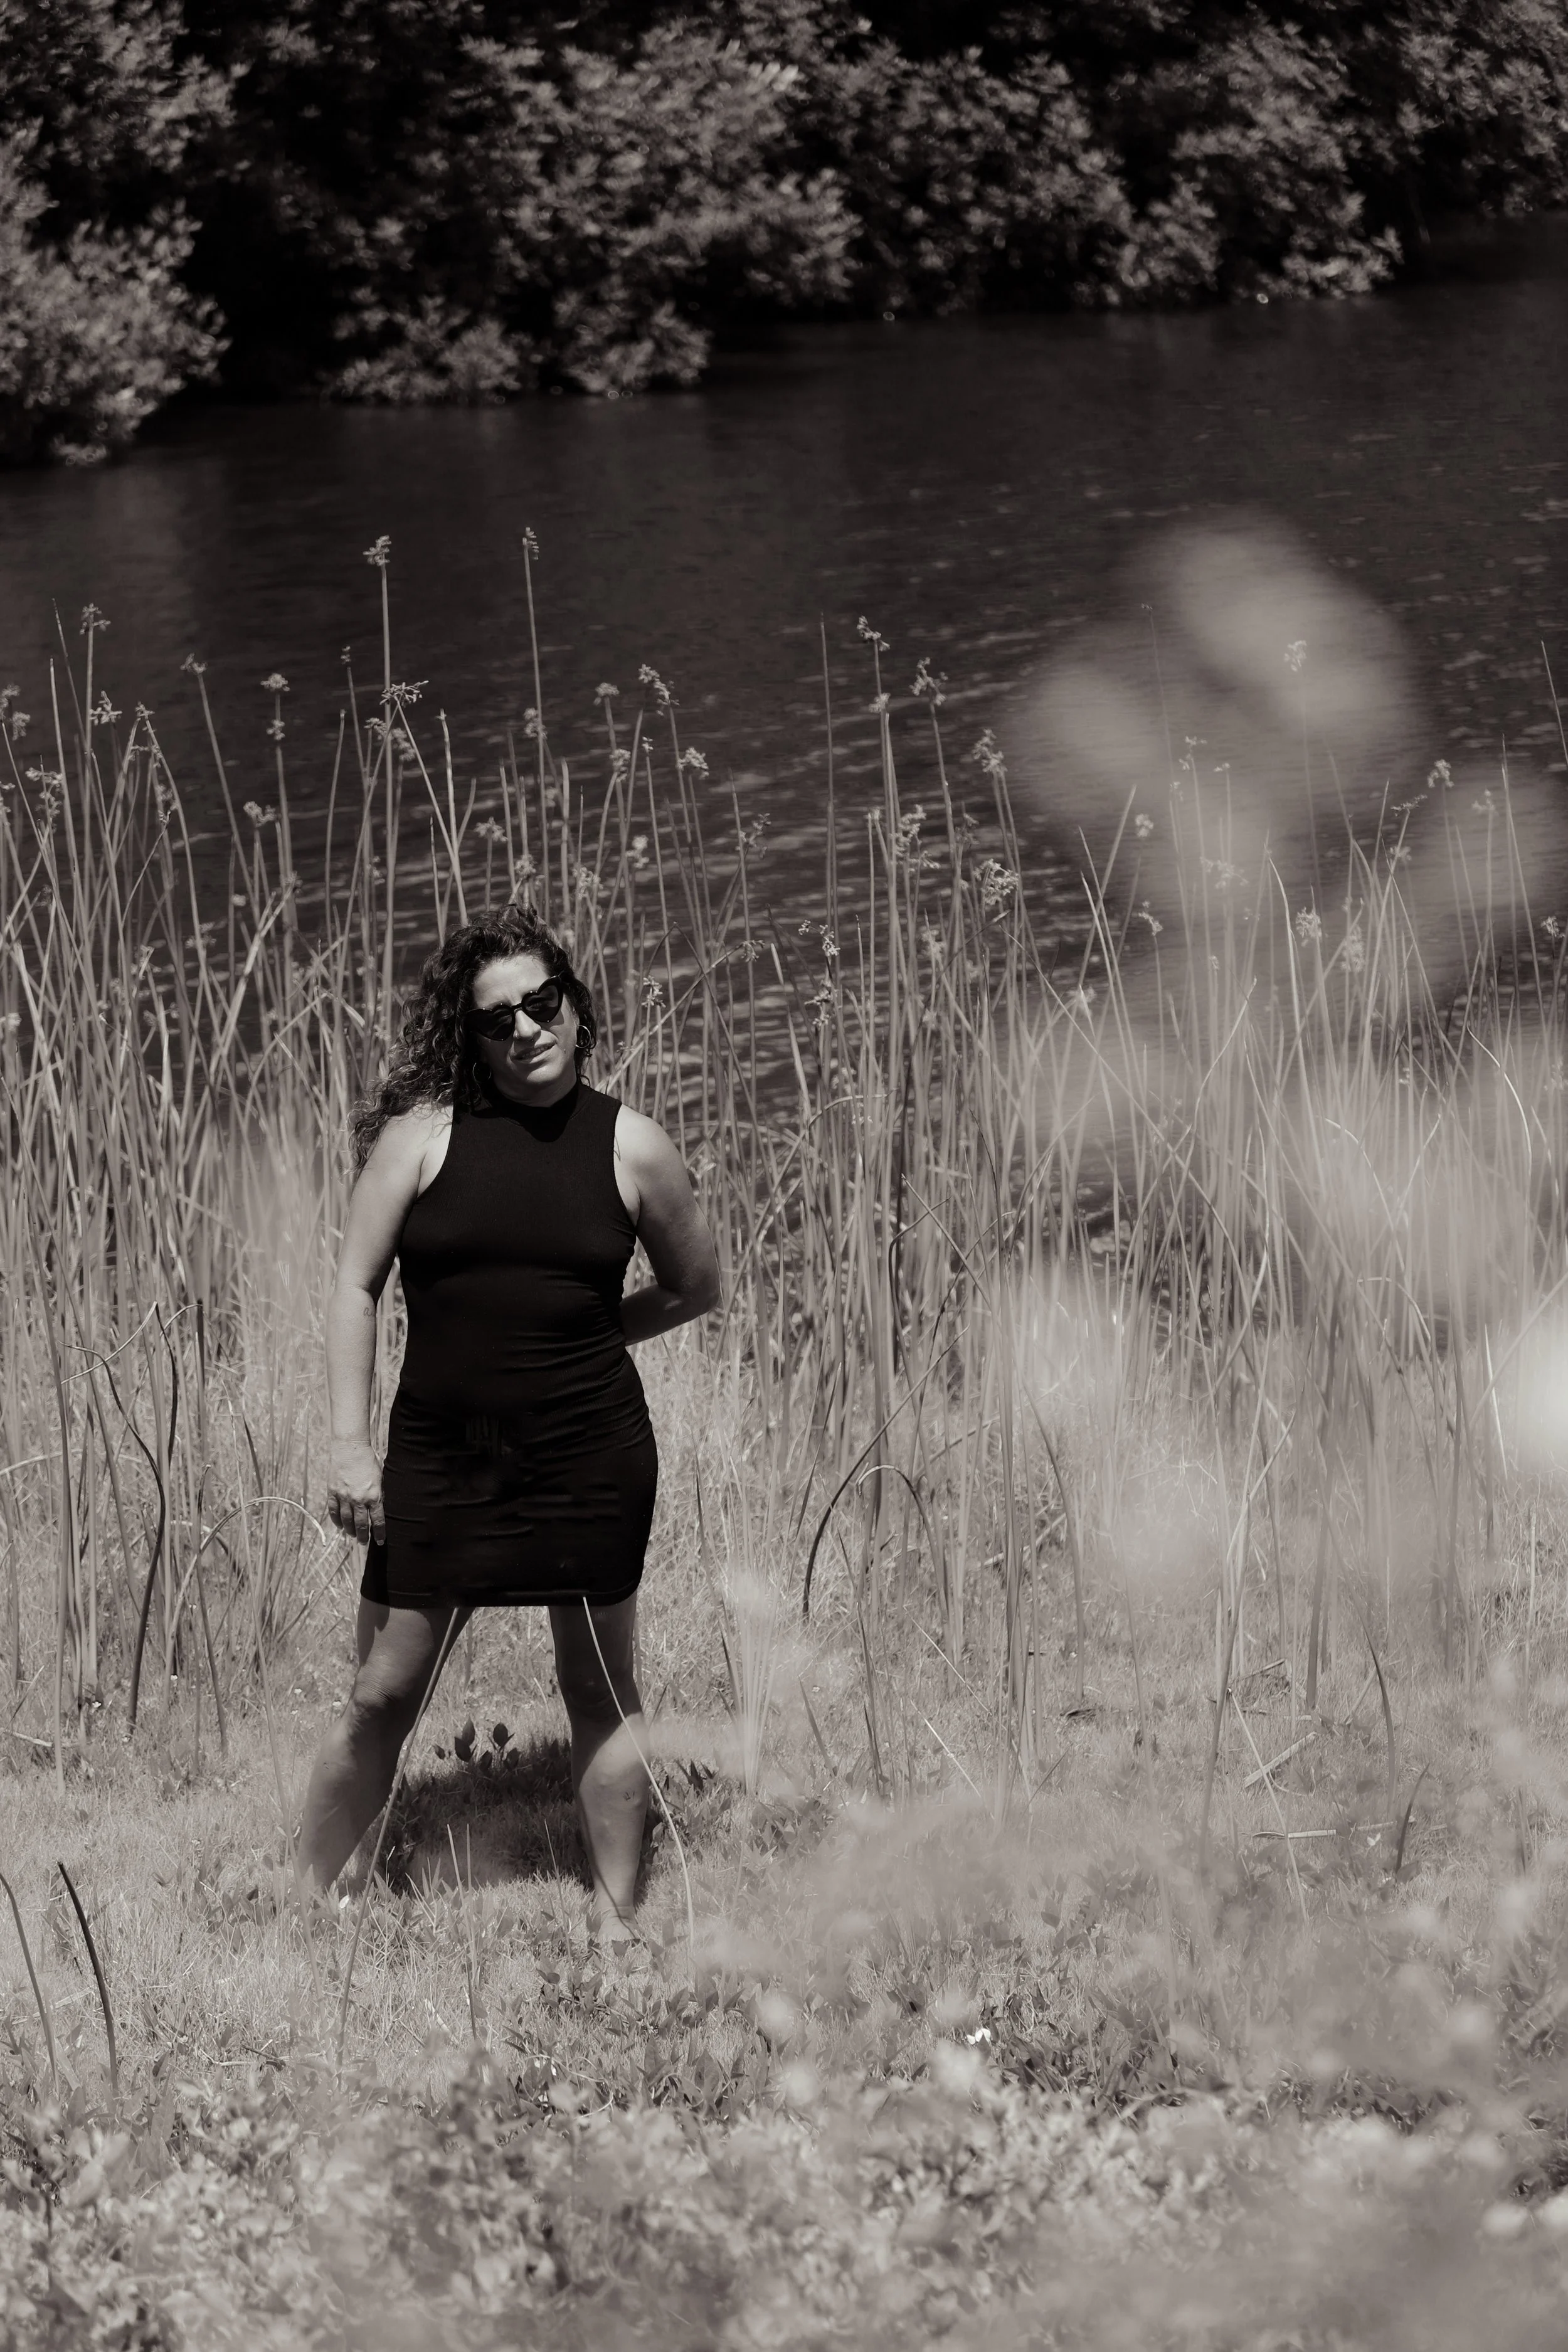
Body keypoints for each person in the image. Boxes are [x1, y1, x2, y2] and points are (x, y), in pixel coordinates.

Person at [296, 905, 721, 1941]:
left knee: (598, 1686)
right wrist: (350, 1445)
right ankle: (303, 1898)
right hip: (443, 1461)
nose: (526, 1029)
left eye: (543, 1003)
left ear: (575, 1006)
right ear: (472, 1037)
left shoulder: (633, 1146)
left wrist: (589, 1335)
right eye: (498, 1019)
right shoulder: (419, 1140)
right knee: (382, 1693)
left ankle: (618, 1927)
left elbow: (695, 1286)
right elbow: (355, 1287)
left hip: (589, 1454)